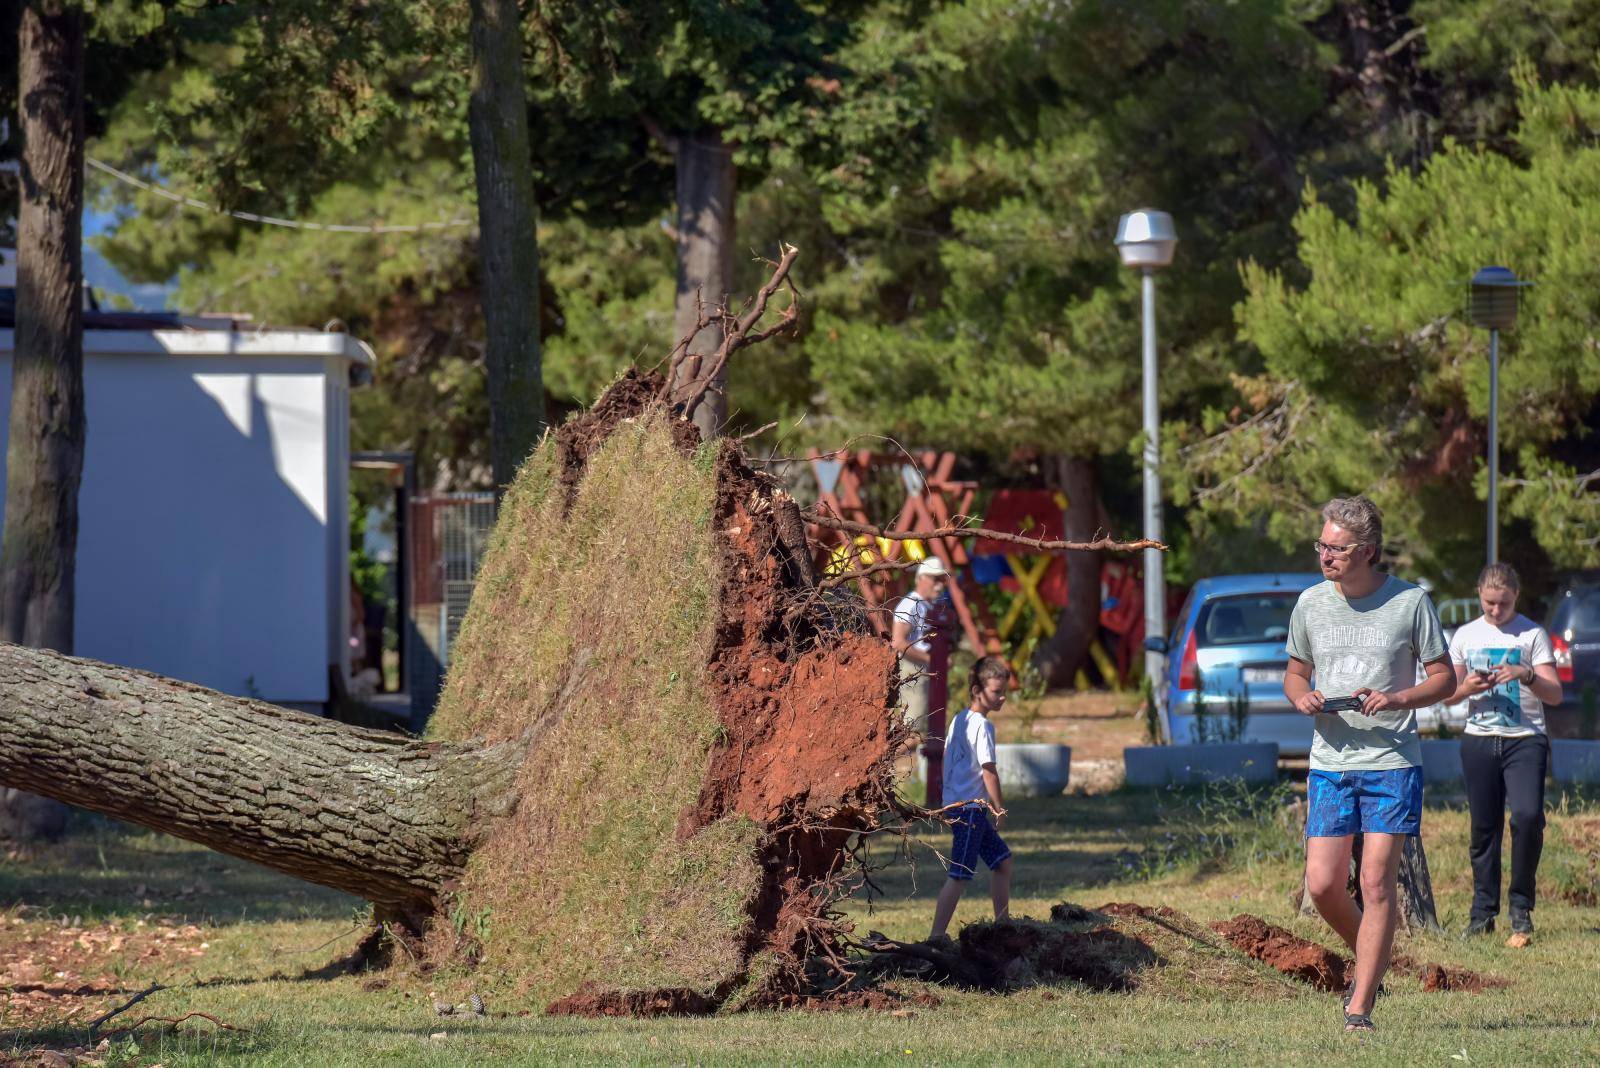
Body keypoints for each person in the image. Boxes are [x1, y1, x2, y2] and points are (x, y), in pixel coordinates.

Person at [1283, 496, 1454, 1034]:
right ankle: (1372, 957)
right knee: (1323, 883)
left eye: (1337, 548)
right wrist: (1301, 697)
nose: (1326, 556)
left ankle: (1360, 1005)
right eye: (1322, 546)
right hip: (1330, 761)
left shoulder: (1410, 603)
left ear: (1368, 551)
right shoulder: (1310, 604)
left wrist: (1398, 698)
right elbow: (1294, 674)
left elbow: (1444, 677)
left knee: (1377, 881)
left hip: (1391, 760)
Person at [1447, 562, 1562, 944]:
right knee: (1484, 828)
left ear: (1516, 596)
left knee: (1527, 817)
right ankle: (1482, 913)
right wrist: (1468, 686)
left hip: (1525, 739)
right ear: (1479, 595)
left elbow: (1555, 694)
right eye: (1489, 603)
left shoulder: (1532, 634)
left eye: (1504, 604)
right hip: (1479, 739)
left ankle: (1521, 908)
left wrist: (1527, 675)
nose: (1496, 611)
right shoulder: (1465, 634)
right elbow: (1447, 694)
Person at [929, 655, 1012, 940]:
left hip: (959, 806)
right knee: (960, 874)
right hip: (969, 811)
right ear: (977, 690)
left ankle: (1004, 924)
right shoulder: (983, 726)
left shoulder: (959, 719)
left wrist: (946, 799)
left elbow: (948, 761)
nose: (1002, 698)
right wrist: (998, 807)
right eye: (996, 692)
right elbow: (989, 770)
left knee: (1002, 861)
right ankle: (936, 935)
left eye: (1004, 692)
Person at [891, 557, 950, 736]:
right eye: (935, 579)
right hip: (911, 669)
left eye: (942, 579)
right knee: (911, 731)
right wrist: (933, 660)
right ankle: (881, 762)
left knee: (921, 728)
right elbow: (898, 642)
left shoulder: (926, 605)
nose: (939, 585)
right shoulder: (911, 604)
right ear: (921, 578)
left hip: (921, 669)